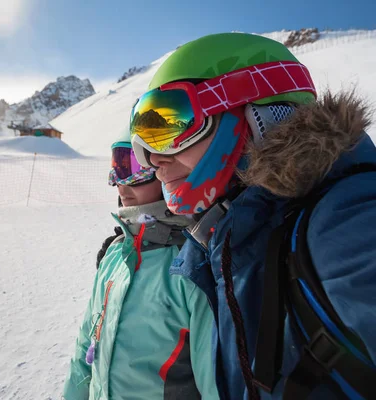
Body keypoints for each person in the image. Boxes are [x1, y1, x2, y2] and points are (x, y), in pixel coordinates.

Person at [129, 32, 376, 399]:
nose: (152, 159)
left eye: (171, 124)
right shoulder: (216, 241)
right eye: (143, 135)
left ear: (262, 114)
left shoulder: (345, 219)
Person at [63, 134, 219, 399]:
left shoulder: (190, 266)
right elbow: (85, 351)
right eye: (117, 170)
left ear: (165, 172)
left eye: (134, 171)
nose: (122, 187)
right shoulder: (114, 255)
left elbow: (213, 382)